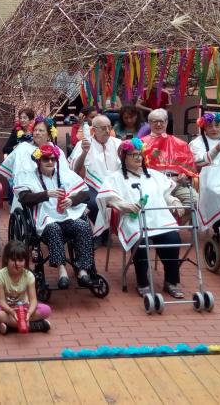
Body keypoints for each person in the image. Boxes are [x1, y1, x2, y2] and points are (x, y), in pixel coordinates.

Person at [97, 138, 186, 298]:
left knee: (173, 238)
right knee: (141, 240)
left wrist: (175, 201)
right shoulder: (115, 177)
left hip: (159, 219)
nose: (138, 158)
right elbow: (109, 199)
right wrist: (125, 205)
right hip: (133, 220)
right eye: (134, 155)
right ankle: (143, 282)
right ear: (124, 157)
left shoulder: (153, 175)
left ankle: (171, 281)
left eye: (140, 154)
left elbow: (165, 194)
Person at [16, 143, 102, 289]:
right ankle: (62, 271)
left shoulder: (65, 174)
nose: (50, 162)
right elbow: (24, 198)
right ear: (39, 161)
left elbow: (85, 193)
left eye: (53, 159)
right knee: (54, 228)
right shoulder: (29, 177)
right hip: (44, 219)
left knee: (83, 226)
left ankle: (82, 270)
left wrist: (72, 200)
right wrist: (46, 194)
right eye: (46, 159)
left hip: (67, 216)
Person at [0, 240, 52, 334]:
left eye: (20, 260)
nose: (17, 263)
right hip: (6, 309)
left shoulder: (29, 275)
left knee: (46, 310)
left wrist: (29, 313)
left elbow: (33, 300)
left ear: (25, 261)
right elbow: (1, 301)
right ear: (6, 259)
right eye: (13, 260)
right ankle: (33, 325)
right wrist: (10, 311)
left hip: (24, 307)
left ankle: (10, 326)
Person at [140, 109, 197, 209]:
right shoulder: (141, 143)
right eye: (155, 121)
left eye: (161, 121)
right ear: (149, 123)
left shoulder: (181, 144)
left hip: (177, 183)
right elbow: (136, 166)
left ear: (166, 122)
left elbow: (190, 168)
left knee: (194, 200)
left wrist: (185, 174)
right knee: (164, 205)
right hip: (153, 183)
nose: (158, 124)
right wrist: (150, 156)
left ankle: (179, 219)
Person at [69, 114, 122, 190]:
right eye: (103, 128)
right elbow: (75, 170)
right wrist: (84, 153)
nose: (107, 131)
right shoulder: (83, 144)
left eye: (109, 127)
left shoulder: (118, 143)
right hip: (92, 187)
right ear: (94, 130)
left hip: (117, 185)